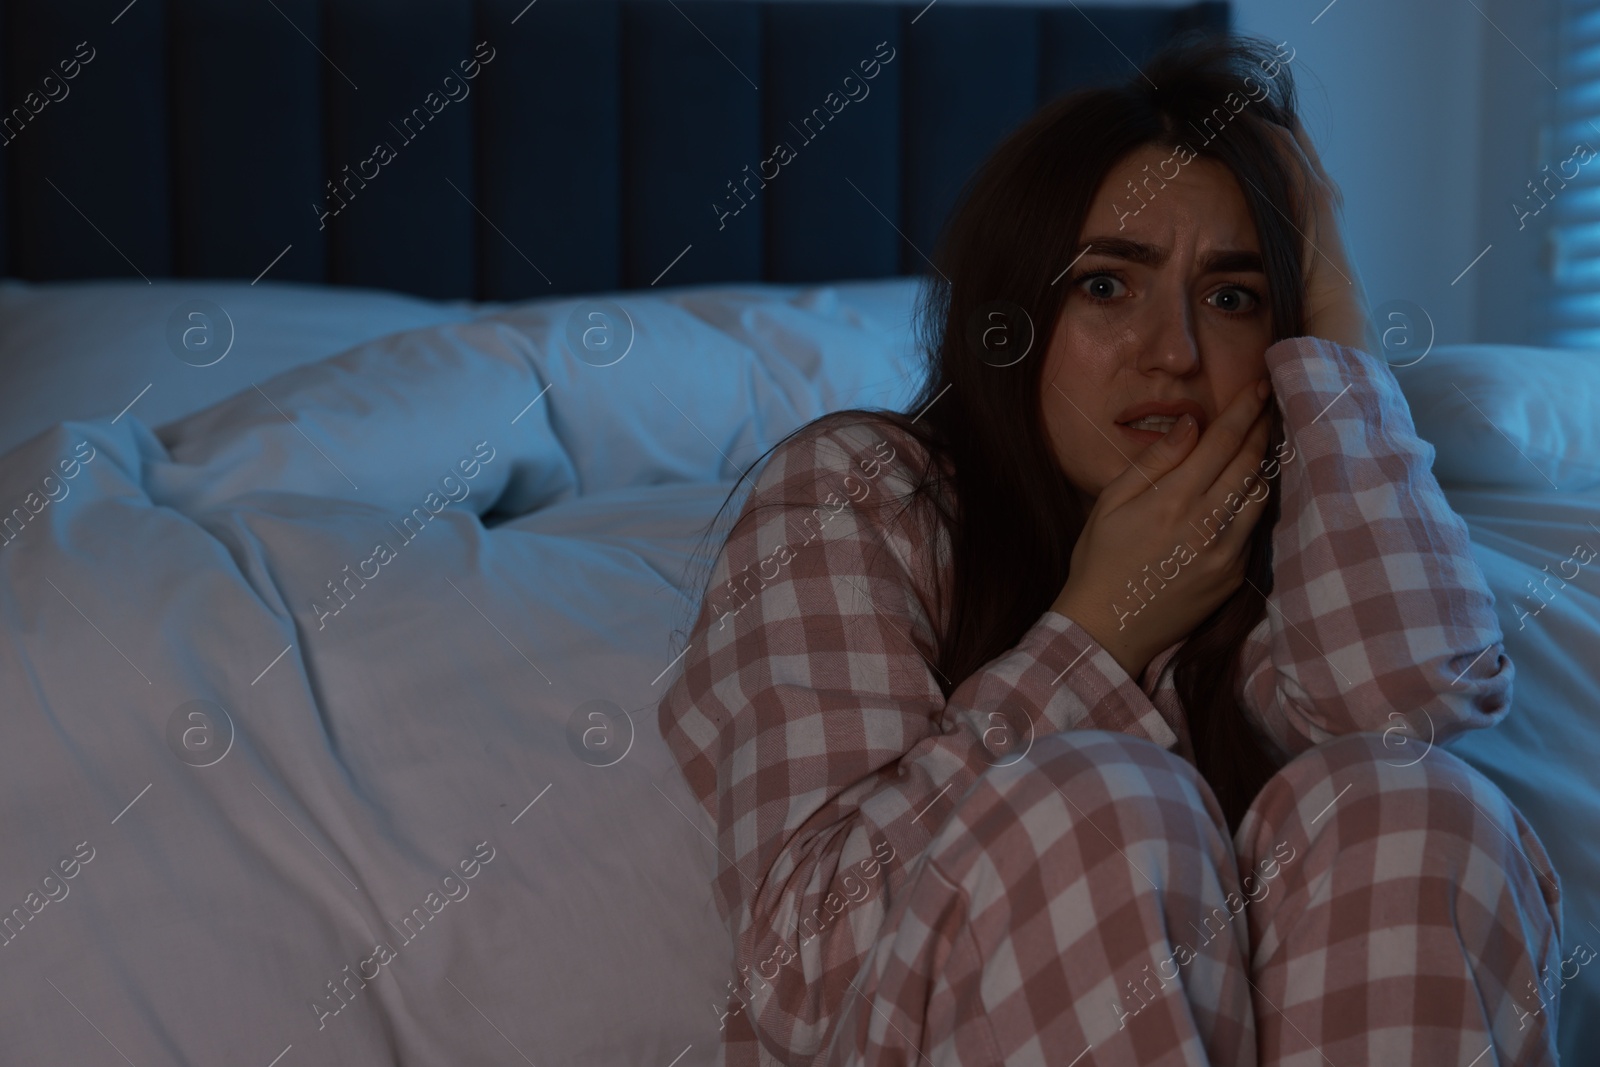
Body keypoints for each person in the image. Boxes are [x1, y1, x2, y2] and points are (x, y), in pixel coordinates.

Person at [658, 33, 1562, 1067]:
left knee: (1411, 803)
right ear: (1013, 316)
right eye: (1104, 285)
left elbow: (1410, 703)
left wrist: (1336, 317)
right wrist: (1093, 632)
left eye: (1232, 297)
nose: (1173, 350)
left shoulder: (1295, 534)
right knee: (1095, 803)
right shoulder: (859, 494)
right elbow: (800, 967)